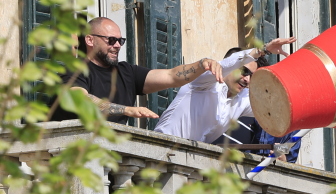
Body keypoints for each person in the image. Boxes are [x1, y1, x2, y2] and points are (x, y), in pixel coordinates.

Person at [52, 17, 223, 123]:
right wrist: (127, 110)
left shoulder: (127, 72)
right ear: (90, 40)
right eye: (111, 40)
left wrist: (202, 64)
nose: (117, 45)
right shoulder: (74, 69)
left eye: (120, 41)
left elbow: (172, 76)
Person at [154, 38, 295, 144]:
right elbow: (226, 64)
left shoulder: (243, 100)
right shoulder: (204, 81)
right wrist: (262, 50)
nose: (247, 79)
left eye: (251, 76)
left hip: (187, 164)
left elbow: (273, 106)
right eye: (244, 71)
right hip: (161, 148)